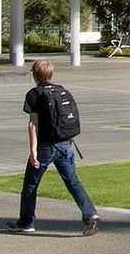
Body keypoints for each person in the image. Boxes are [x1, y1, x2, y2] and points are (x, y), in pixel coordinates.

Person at [9, 60, 98, 236]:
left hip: (45, 146)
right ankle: (90, 214)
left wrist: (33, 151)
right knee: (72, 181)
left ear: (34, 75)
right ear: (51, 74)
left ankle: (27, 222)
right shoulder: (62, 90)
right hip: (66, 144)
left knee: (30, 185)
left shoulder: (34, 94)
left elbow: (33, 125)